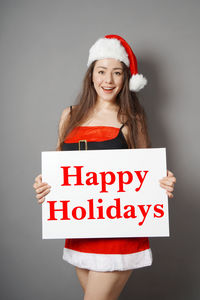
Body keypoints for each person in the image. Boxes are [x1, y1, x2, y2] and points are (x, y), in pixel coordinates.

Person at [33, 35, 176, 300]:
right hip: (81, 229)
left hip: (120, 232)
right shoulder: (70, 115)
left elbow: (148, 171)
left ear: (126, 78)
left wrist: (162, 181)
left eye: (117, 72)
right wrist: (44, 184)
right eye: (101, 71)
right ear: (91, 75)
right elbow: (58, 166)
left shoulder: (133, 119)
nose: (108, 80)